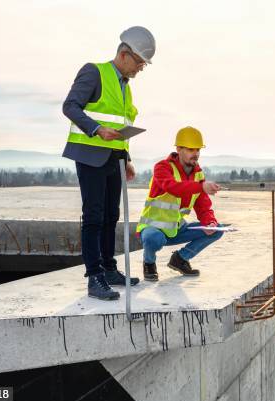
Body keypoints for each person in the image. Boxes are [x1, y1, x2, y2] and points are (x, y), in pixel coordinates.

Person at [62, 26, 155, 300]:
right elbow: (70, 106)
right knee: (93, 216)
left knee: (110, 217)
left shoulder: (125, 87)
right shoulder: (94, 72)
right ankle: (94, 277)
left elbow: (121, 126)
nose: (140, 69)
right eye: (139, 62)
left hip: (114, 159)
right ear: (125, 55)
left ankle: (109, 269)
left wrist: (126, 159)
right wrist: (97, 129)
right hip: (90, 155)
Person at [136, 127, 224, 281]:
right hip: (154, 228)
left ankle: (180, 259)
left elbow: (203, 206)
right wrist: (201, 186)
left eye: (198, 150)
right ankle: (149, 263)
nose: (195, 154)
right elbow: (173, 187)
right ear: (179, 149)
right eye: (190, 149)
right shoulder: (162, 167)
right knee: (153, 239)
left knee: (218, 229)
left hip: (177, 228)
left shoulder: (198, 174)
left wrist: (210, 222)